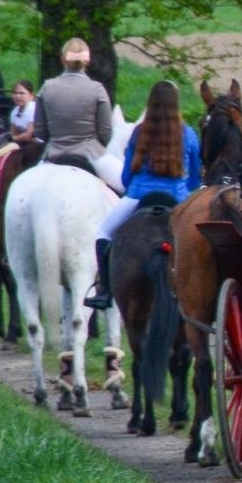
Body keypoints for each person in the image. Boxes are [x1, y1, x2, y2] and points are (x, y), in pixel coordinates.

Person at [84, 80, 201, 310]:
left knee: (103, 233)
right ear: (176, 104)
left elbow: (127, 176)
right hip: (178, 198)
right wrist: (186, 189)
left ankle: (105, 291)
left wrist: (133, 187)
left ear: (151, 103)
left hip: (139, 195)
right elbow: (195, 177)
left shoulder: (139, 132)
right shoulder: (188, 134)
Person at [35, 38, 121, 192]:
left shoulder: (47, 87)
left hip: (54, 152)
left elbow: (39, 130)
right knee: (126, 185)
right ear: (87, 61)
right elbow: (106, 131)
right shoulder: (97, 89)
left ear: (63, 60)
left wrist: (56, 139)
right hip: (90, 153)